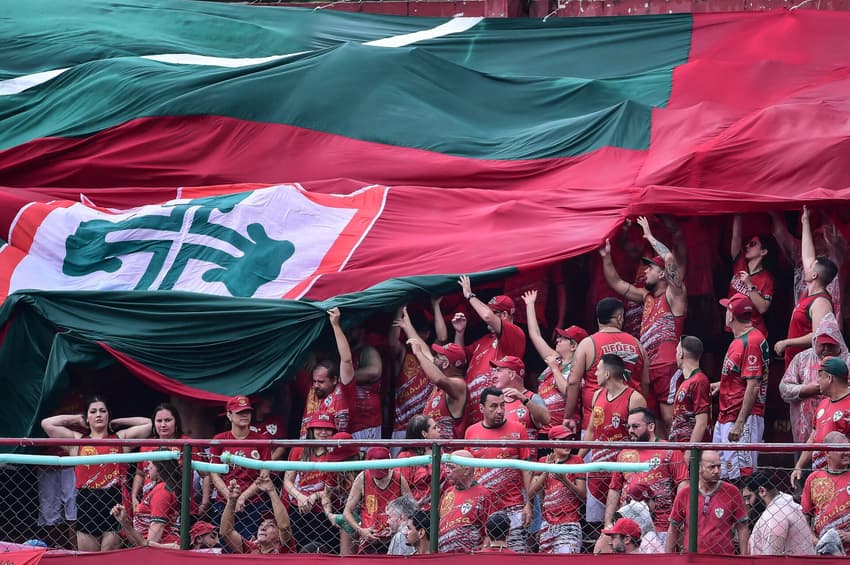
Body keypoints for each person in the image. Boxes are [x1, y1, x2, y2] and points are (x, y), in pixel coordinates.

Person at [600, 217, 688, 435]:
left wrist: (650, 237)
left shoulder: (675, 295)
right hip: (648, 368)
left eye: (649, 269)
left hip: (668, 366)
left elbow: (669, 258)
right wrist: (606, 257)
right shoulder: (645, 297)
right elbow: (617, 284)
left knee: (671, 419)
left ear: (661, 274)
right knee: (651, 422)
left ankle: (682, 463)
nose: (645, 272)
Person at [41, 396, 152, 551]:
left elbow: (148, 424)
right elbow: (47, 424)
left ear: (108, 415)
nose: (98, 414)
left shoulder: (120, 439)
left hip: (113, 503)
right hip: (87, 503)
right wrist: (76, 419)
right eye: (93, 412)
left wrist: (119, 421)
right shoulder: (77, 442)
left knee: (108, 559)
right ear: (87, 417)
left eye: (103, 411)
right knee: (88, 559)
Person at [578, 354, 647, 525]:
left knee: (623, 523)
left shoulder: (634, 398)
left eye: (598, 370)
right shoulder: (597, 396)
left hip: (623, 471)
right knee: (595, 525)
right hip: (597, 472)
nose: (595, 375)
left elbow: (642, 437)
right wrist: (578, 459)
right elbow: (591, 430)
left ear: (607, 374)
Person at [464, 387, 532, 552]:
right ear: (481, 408)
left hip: (513, 506)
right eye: (494, 406)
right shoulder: (471, 432)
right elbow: (468, 472)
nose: (500, 410)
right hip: (482, 508)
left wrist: (528, 504)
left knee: (515, 555)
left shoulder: (518, 430)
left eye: (502, 405)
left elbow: (527, 470)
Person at [567, 298, 649, 432]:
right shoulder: (637, 344)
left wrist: (568, 415)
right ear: (619, 317)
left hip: (595, 426)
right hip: (630, 426)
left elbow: (573, 382)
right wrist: (638, 407)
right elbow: (645, 382)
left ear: (598, 318)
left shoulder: (588, 344)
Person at [605, 408, 688, 540]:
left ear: (651, 426)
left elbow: (683, 485)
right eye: (629, 427)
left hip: (662, 525)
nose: (630, 430)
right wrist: (608, 522)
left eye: (635, 426)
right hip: (627, 527)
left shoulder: (670, 450)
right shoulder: (623, 453)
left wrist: (680, 518)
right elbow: (614, 489)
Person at [455, 274, 526, 424]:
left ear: (505, 315)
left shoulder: (514, 333)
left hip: (497, 413)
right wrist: (459, 332)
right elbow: (459, 358)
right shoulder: (483, 340)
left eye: (494, 312)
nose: (484, 314)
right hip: (474, 414)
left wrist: (469, 295)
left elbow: (487, 316)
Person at [712, 295, 769, 479]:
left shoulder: (751, 341)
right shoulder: (740, 339)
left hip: (741, 417)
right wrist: (722, 385)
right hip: (726, 414)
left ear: (731, 315)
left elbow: (753, 386)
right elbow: (743, 378)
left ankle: (745, 509)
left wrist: (739, 424)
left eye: (726, 310)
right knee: (721, 472)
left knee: (743, 476)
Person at [775, 207, 839, 366]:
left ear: (814, 275)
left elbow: (818, 335)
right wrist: (805, 221)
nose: (806, 267)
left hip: (807, 367)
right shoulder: (810, 295)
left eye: (811, 267)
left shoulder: (821, 303)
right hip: (796, 361)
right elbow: (808, 255)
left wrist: (787, 343)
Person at [522, 289, 587, 437]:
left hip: (565, 432)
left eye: (563, 338)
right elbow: (535, 335)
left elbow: (569, 392)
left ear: (573, 346)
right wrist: (530, 305)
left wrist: (554, 369)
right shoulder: (555, 358)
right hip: (545, 430)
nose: (557, 340)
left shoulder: (579, 367)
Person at [208, 395, 272, 540]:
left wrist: (242, 497)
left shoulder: (262, 440)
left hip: (254, 504)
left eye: (247, 412)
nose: (244, 415)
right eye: (239, 412)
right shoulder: (219, 439)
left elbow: (264, 475)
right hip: (224, 503)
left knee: (252, 545)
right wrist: (231, 499)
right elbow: (214, 474)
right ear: (229, 415)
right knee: (225, 544)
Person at [780, 314, 850, 445]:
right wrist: (805, 390)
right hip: (804, 432)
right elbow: (783, 389)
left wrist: (834, 390)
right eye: (822, 345)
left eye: (830, 345)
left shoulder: (847, 361)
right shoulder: (801, 359)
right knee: (802, 462)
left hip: (839, 434)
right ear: (815, 342)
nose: (826, 349)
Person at [389, 299, 447, 453]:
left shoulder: (432, 355)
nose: (421, 335)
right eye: (418, 330)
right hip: (403, 426)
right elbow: (392, 343)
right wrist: (398, 310)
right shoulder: (403, 353)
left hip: (428, 427)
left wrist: (436, 306)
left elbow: (442, 338)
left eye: (423, 331)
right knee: (402, 470)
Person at [401, 306, 468, 439]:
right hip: (433, 451)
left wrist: (418, 354)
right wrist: (407, 325)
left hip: (449, 455)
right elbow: (426, 351)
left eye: (438, 357)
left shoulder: (459, 384)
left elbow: (438, 379)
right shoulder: (442, 371)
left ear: (445, 364)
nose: (434, 358)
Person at [131, 403, 208, 516]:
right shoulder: (146, 445)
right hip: (149, 507)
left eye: (167, 420)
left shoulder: (187, 443)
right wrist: (134, 497)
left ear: (176, 421)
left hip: (181, 508)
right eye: (159, 421)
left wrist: (204, 503)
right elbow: (140, 474)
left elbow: (205, 474)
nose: (163, 425)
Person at [667, 450, 749, 555]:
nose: (716, 471)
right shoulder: (685, 493)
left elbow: (742, 526)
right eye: (712, 467)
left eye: (719, 466)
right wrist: (668, 557)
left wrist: (744, 556)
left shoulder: (732, 492)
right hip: (693, 559)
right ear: (699, 467)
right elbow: (673, 528)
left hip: (724, 559)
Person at [791, 357, 850, 487]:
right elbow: (813, 437)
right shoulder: (823, 404)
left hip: (843, 479)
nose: (817, 381)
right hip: (820, 479)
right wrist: (799, 466)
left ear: (829, 378)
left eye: (820, 376)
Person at [283, 413, 337, 552]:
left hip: (326, 510)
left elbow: (336, 486)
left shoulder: (336, 452)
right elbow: (287, 481)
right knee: (300, 549)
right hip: (299, 507)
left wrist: (315, 496)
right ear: (311, 430)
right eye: (319, 428)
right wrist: (300, 497)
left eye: (328, 429)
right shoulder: (299, 449)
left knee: (326, 550)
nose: (323, 432)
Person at [527, 424, 585, 554]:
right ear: (552, 443)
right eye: (562, 440)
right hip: (547, 524)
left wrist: (565, 480)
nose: (567, 444)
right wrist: (547, 470)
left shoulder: (577, 461)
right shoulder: (543, 461)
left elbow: (583, 495)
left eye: (570, 440)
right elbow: (531, 492)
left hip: (569, 522)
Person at [343, 446, 412, 554]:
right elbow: (347, 512)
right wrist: (361, 530)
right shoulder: (363, 478)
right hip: (369, 538)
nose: (379, 476)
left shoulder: (398, 478)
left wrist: (400, 526)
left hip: (393, 538)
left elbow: (412, 509)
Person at [300, 308, 356, 436]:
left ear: (335, 380)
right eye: (314, 381)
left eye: (321, 381)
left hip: (336, 451)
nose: (315, 385)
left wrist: (335, 325)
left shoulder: (344, 391)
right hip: (307, 452)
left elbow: (346, 359)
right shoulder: (311, 389)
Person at [742, 471, 814, 555]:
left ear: (762, 491)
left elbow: (771, 558)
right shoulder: (788, 505)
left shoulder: (774, 516)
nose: (747, 503)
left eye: (749, 497)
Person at [728, 215, 777, 337]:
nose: (747, 246)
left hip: (753, 331)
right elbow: (736, 236)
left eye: (753, 244)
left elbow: (763, 308)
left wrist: (749, 285)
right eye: (748, 243)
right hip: (732, 325)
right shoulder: (740, 262)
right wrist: (739, 212)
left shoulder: (767, 278)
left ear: (763, 252)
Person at [801, 432, 850, 553]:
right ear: (827, 452)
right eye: (842, 449)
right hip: (824, 552)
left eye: (848, 448)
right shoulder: (814, 478)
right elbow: (803, 519)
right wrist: (818, 542)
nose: (847, 452)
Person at [220, 476, 294, 554]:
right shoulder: (252, 549)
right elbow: (226, 532)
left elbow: (284, 526)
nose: (263, 528)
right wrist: (231, 501)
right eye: (261, 524)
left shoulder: (284, 549)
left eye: (271, 525)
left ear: (279, 536)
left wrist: (272, 491)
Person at [437, 449, 493, 553]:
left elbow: (489, 533)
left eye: (451, 467)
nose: (447, 471)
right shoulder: (447, 492)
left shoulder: (483, 494)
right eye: (446, 466)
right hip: (443, 557)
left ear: (467, 470)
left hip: (469, 558)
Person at [319, 432, 361, 556]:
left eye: (339, 460)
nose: (335, 463)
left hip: (371, 512)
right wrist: (329, 514)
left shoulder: (367, 465)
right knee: (346, 556)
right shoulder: (335, 470)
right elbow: (326, 494)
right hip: (350, 515)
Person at [669, 335, 711, 444]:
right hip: (680, 447)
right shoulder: (687, 381)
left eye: (676, 351)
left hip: (690, 450)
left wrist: (691, 453)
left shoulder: (699, 381)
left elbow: (702, 423)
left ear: (681, 353)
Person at [130, 458, 182, 546]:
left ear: (159, 468)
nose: (147, 468)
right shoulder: (158, 487)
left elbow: (158, 524)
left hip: (160, 547)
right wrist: (124, 522)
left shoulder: (162, 490)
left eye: (150, 464)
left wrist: (148, 550)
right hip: (148, 544)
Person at [396, 414, 443, 511]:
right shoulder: (405, 457)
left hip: (441, 507)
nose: (439, 430)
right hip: (416, 512)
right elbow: (400, 491)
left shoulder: (439, 452)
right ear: (424, 434)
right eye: (435, 428)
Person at [346, 320, 384, 442]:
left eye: (352, 329)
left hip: (367, 423)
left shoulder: (367, 351)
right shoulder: (346, 355)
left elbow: (375, 371)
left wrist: (343, 377)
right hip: (349, 421)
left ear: (362, 331)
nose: (348, 332)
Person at [250, 390, 286, 461]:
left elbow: (282, 446)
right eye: (268, 399)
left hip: (271, 466)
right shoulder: (245, 422)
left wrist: (266, 463)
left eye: (272, 400)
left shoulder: (276, 421)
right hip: (251, 464)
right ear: (258, 401)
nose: (271, 403)